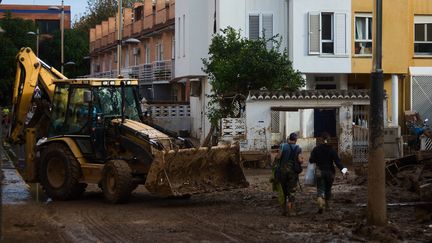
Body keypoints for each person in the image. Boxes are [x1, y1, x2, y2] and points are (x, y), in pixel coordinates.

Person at [309, 132, 348, 213]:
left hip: (320, 171)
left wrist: (317, 160)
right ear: (329, 140)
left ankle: (320, 201)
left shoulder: (316, 149)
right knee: (328, 189)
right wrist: (344, 170)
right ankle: (328, 206)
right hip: (330, 172)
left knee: (320, 189)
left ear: (321, 140)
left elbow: (311, 160)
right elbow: (338, 162)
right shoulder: (332, 150)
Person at [274, 132, 304, 216]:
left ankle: (283, 210)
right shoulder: (298, 148)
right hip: (293, 173)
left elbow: (278, 157)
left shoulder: (283, 146)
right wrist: (301, 160)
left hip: (282, 172)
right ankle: (290, 210)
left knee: (283, 191)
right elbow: (300, 160)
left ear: (289, 139)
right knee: (291, 191)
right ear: (296, 140)